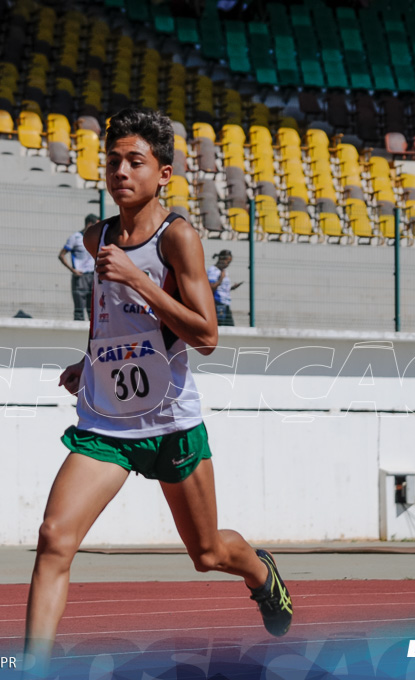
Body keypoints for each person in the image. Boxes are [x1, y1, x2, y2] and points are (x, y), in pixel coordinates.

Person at [23, 108, 292, 675]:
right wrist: (88, 359)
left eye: (135, 161)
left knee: (207, 553)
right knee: (53, 539)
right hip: (107, 423)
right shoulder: (97, 237)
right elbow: (109, 316)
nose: (121, 170)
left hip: (171, 422)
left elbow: (208, 336)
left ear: (163, 174)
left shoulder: (179, 238)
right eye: (113, 160)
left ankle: (261, 572)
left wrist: (141, 278)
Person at [58, 214, 98, 320]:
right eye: (96, 225)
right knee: (79, 309)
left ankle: (94, 334)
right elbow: (61, 255)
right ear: (90, 224)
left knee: (93, 309)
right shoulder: (75, 238)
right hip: (80, 276)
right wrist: (72, 270)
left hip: (93, 276)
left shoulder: (96, 238)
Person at [207, 249, 243, 327]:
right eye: (228, 262)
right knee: (221, 327)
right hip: (218, 304)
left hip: (225, 303)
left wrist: (232, 288)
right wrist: (221, 279)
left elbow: (222, 289)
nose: (228, 264)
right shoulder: (213, 271)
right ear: (221, 259)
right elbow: (210, 288)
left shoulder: (223, 271)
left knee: (230, 328)